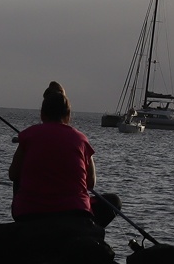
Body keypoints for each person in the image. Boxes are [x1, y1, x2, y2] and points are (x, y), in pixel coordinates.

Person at [8, 81, 119, 228]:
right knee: (114, 201)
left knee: (19, 176)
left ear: (42, 114)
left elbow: (13, 174)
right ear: (69, 115)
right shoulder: (81, 139)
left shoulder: (28, 136)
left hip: (29, 213)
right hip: (75, 212)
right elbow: (90, 183)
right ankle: (88, 234)